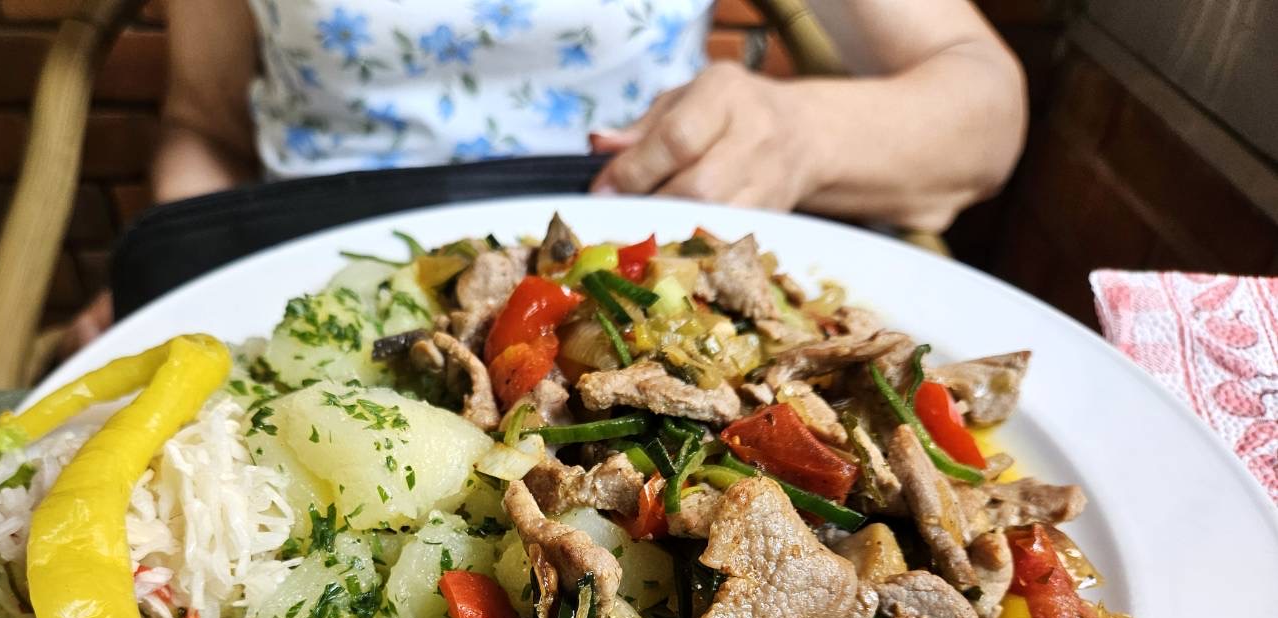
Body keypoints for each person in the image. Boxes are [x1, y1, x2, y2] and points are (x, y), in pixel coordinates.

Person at [60, 0, 1026, 351]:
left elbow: (982, 112)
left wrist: (800, 131)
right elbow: (205, 126)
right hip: (314, 287)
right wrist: (192, 286)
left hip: (630, 280)